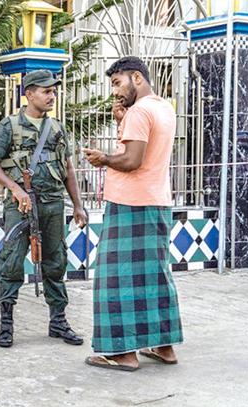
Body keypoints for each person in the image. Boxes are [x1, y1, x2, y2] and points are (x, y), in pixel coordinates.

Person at [83, 56, 183, 371]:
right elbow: (147, 149)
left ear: (136, 78)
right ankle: (164, 347)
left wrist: (102, 158)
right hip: (157, 202)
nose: (114, 91)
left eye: (117, 83)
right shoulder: (164, 107)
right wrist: (122, 122)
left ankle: (122, 353)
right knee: (155, 276)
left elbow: (132, 161)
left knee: (114, 278)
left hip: (129, 204)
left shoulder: (139, 112)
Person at [0, 69, 88, 348]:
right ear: (29, 94)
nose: (52, 95)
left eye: (54, 91)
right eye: (46, 91)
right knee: (12, 261)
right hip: (21, 204)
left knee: (56, 261)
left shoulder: (58, 128)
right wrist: (15, 189)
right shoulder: (10, 126)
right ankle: (6, 323)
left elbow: (67, 169)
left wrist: (78, 205)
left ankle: (58, 321)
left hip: (53, 202)